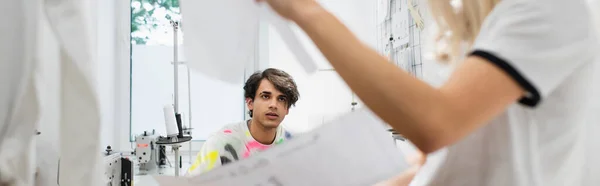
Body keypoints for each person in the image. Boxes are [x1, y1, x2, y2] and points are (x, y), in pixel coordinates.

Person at [257, 0, 599, 185]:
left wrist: (306, 10)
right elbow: (446, 154)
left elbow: (437, 123)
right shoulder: (478, 28)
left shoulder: (548, 9)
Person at [186, 68, 299, 176]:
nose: (273, 105)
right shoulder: (222, 142)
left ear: (287, 109)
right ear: (250, 103)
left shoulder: (293, 145)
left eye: (281, 99)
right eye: (265, 96)